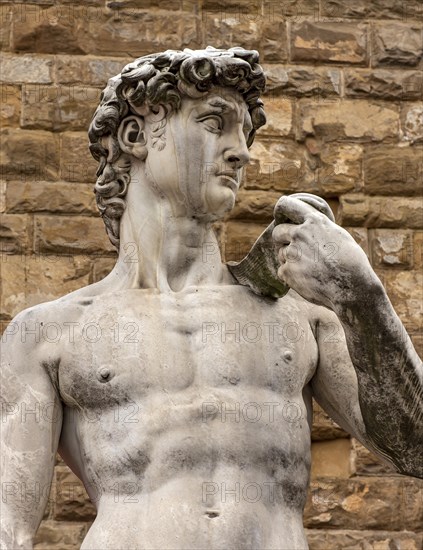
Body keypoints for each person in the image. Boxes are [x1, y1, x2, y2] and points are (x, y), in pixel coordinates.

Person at [1, 47, 421, 550]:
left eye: (245, 132)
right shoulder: (48, 334)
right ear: (136, 136)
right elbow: (9, 528)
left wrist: (362, 300)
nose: (241, 150)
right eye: (214, 122)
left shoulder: (301, 316)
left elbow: (416, 452)